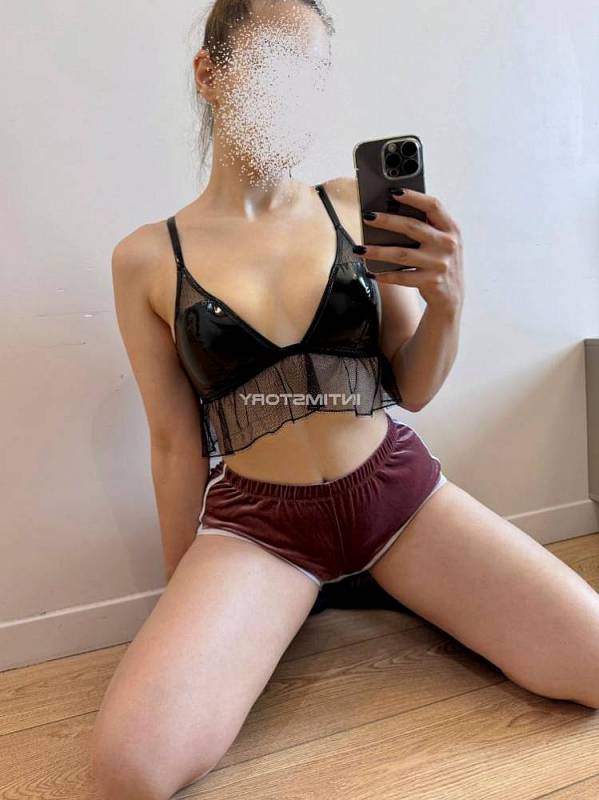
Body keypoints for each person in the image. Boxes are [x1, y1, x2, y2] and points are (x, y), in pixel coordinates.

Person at [92, 1, 599, 798]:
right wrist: (185, 600)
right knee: (131, 770)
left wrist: (448, 302)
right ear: (209, 74)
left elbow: (413, 387)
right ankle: (322, 596)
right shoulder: (148, 258)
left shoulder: (348, 206)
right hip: (261, 529)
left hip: (397, 499)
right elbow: (173, 441)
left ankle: (388, 584)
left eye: (312, 71)